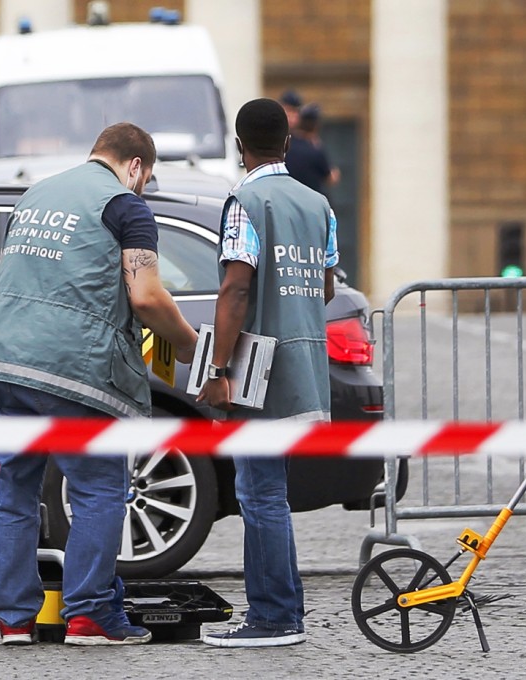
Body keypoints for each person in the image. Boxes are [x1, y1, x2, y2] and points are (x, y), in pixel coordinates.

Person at [0, 122, 198, 646]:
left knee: (15, 493)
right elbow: (146, 296)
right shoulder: (126, 206)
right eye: (146, 177)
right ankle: (91, 615)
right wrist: (188, 348)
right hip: (72, 368)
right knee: (98, 489)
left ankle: (13, 620)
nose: (142, 187)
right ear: (136, 166)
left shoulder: (36, 195)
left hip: (3, 358)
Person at [197, 98, 338, 648]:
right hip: (306, 362)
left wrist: (217, 367)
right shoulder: (318, 203)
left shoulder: (245, 201)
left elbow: (236, 286)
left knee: (259, 495)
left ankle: (274, 617)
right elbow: (325, 286)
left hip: (259, 368)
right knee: (269, 492)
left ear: (239, 146)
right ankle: (286, 610)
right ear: (287, 142)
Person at [284, 103, 340, 195]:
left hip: (289, 197)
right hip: (312, 200)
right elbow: (331, 178)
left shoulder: (287, 146)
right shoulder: (315, 150)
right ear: (316, 126)